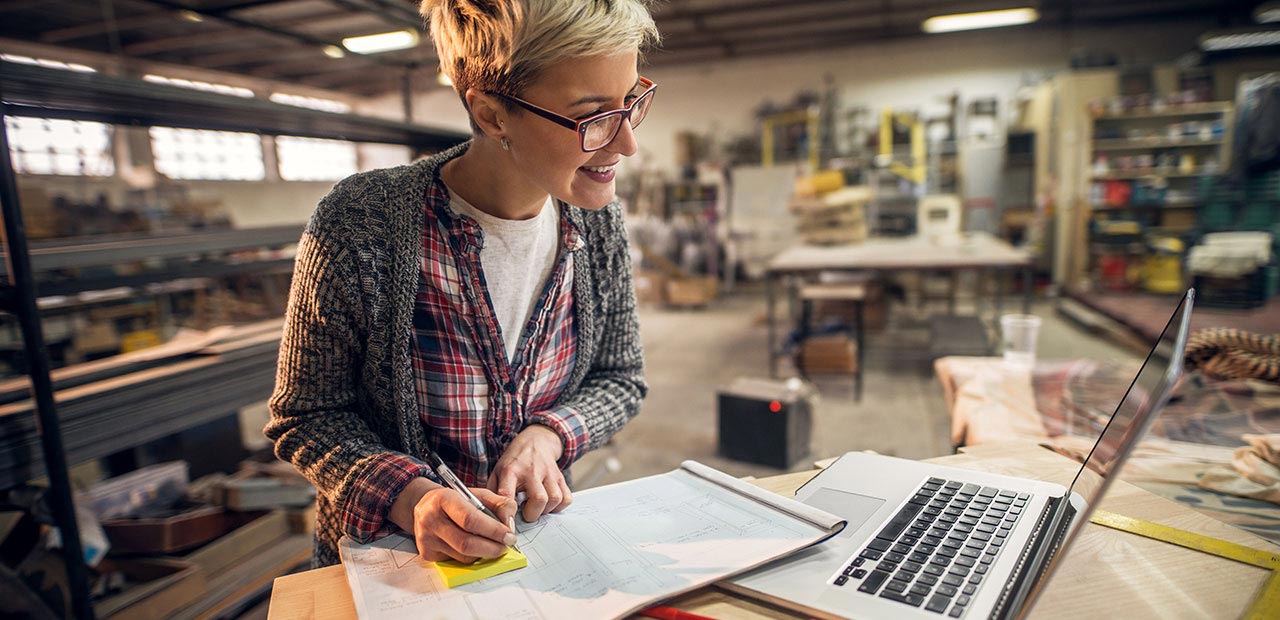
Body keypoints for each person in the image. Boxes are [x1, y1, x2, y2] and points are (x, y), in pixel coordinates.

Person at [266, 0, 660, 567]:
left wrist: (549, 435)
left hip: (537, 559)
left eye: (631, 103)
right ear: (493, 113)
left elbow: (620, 378)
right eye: (593, 115)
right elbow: (304, 416)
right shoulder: (363, 223)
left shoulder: (597, 224)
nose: (626, 144)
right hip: (393, 574)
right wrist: (409, 499)